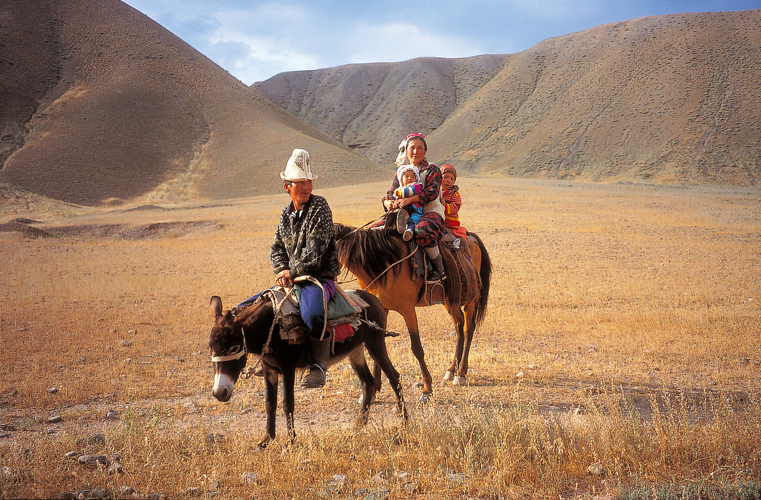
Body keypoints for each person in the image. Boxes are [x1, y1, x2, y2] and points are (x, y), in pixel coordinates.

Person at [271, 148, 340, 388]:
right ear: (287, 187)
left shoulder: (320, 206)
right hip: (291, 278)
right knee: (263, 307)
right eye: (300, 182)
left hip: (318, 277)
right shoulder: (285, 214)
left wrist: (291, 272)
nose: (306, 187)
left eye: (308, 181)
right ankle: (273, 359)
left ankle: (319, 366)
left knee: (312, 313)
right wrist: (281, 270)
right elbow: (277, 248)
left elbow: (316, 253)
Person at [383, 133, 447, 281]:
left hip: (430, 211)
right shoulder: (401, 172)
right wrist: (388, 203)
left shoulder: (432, 170)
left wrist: (409, 199)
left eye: (420, 148)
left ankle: (440, 269)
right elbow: (390, 193)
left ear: (425, 151)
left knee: (422, 231)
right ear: (406, 150)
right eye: (412, 148)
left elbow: (432, 192)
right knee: (378, 231)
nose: (416, 152)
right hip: (405, 213)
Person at [440, 164, 471, 257]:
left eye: (451, 179)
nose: (448, 180)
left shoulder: (454, 194)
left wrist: (445, 205)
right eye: (445, 177)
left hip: (450, 224)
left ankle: (469, 259)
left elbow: (456, 207)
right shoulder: (436, 191)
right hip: (438, 222)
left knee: (461, 240)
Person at [392, 164, 423, 241]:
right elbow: (395, 196)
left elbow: (411, 191)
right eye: (406, 176)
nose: (410, 178)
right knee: (399, 216)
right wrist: (391, 198)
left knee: (413, 220)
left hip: (415, 209)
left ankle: (409, 231)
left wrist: (399, 193)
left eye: (413, 177)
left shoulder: (417, 186)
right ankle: (401, 227)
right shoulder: (400, 188)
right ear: (401, 179)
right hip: (405, 209)